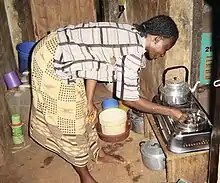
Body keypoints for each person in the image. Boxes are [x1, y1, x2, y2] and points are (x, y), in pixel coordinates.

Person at [30, 15, 187, 183]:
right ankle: (85, 176)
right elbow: (129, 100)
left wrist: (89, 101)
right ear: (156, 39)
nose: (163, 54)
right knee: (70, 123)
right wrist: (170, 111)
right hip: (51, 59)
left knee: (85, 111)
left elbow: (94, 63)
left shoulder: (135, 34)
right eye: (165, 48)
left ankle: (97, 154)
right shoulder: (132, 52)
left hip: (65, 54)